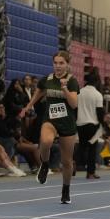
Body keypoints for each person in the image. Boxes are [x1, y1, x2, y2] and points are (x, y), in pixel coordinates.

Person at [23, 51, 80, 204]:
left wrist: (64, 89)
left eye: (61, 63)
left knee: (67, 162)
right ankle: (45, 164)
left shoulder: (72, 81)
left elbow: (74, 104)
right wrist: (29, 105)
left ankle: (66, 190)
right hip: (51, 120)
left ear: (67, 64)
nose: (58, 66)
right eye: (55, 63)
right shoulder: (47, 79)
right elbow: (39, 91)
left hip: (67, 123)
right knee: (46, 141)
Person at [76, 70, 105, 179]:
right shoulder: (98, 94)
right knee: (92, 149)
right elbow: (99, 112)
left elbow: (75, 108)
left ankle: (74, 164)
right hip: (92, 124)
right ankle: (90, 172)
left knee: (81, 147)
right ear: (96, 82)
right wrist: (103, 124)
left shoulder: (79, 92)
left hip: (80, 124)